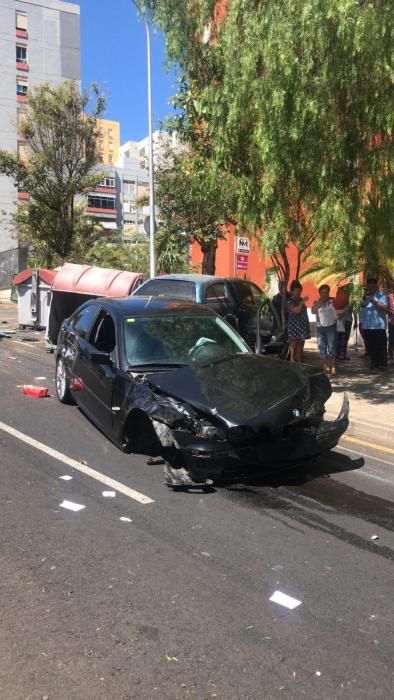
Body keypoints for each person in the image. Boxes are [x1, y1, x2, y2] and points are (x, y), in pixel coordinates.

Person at [359, 277, 388, 370]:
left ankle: (382, 364)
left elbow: (384, 307)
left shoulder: (381, 295)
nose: (370, 288)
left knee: (381, 346)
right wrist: (368, 299)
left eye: (372, 286)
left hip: (378, 325)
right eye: (369, 286)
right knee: (370, 346)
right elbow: (362, 305)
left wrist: (374, 301)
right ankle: (374, 363)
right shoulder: (363, 296)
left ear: (376, 286)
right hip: (367, 326)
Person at [312, 284, 337, 374]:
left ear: (328, 293)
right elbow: (313, 311)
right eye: (322, 293)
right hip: (320, 328)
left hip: (331, 327)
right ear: (319, 293)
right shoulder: (317, 302)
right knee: (322, 347)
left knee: (332, 347)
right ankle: (325, 365)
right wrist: (318, 305)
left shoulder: (333, 301)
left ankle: (333, 366)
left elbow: (338, 311)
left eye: (326, 292)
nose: (324, 295)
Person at [287, 280, 310, 363]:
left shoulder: (300, 299)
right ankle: (292, 362)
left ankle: (300, 363)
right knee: (293, 347)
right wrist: (302, 302)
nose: (299, 293)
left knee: (300, 348)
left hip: (302, 327)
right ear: (292, 291)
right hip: (294, 327)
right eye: (297, 291)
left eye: (300, 291)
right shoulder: (289, 301)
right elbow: (296, 310)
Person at [334, 286, 353, 360]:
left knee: (338, 338)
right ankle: (342, 355)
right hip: (347, 321)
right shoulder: (349, 299)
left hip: (338, 321)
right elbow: (347, 309)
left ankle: (337, 354)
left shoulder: (337, 299)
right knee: (345, 339)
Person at [387, 278, 394, 366]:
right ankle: (391, 358)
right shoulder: (390, 296)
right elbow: (387, 309)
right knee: (391, 340)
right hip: (392, 322)